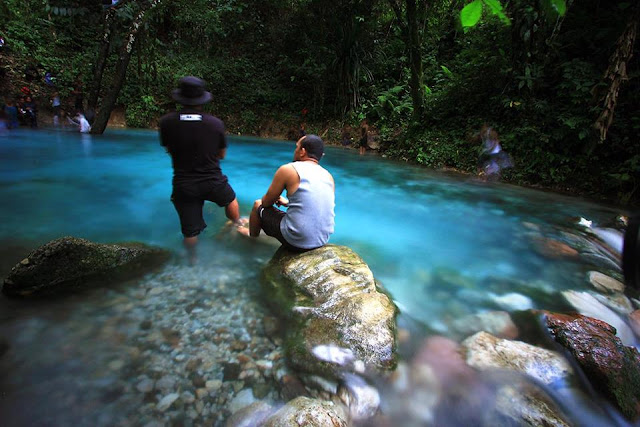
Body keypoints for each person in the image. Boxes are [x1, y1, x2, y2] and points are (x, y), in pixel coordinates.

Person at [159, 76, 242, 258]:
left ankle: (192, 262)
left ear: (180, 98)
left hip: (184, 183)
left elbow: (169, 149)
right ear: (201, 100)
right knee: (231, 200)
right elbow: (222, 155)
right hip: (212, 180)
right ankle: (237, 224)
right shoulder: (215, 124)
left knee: (190, 231)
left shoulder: (166, 122)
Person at [241, 134, 335, 251]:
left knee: (257, 205)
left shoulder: (288, 169)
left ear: (302, 151)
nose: (294, 150)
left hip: (296, 241)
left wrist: (271, 199)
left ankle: (252, 239)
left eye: (296, 147)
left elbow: (266, 203)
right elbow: (316, 205)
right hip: (321, 240)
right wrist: (287, 203)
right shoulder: (328, 176)